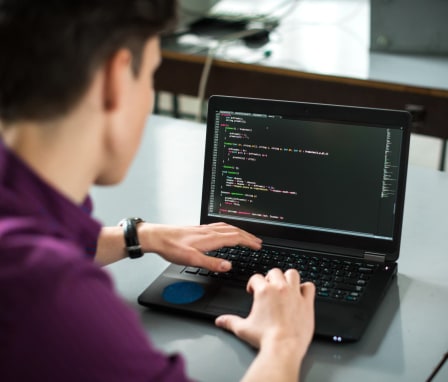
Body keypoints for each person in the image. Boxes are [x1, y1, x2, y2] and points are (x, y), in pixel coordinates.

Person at [0, 1, 315, 381]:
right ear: (114, 81)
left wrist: (137, 237)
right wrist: (283, 342)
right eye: (151, 75)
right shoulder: (55, 303)